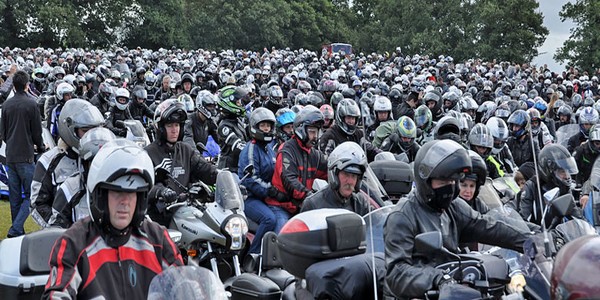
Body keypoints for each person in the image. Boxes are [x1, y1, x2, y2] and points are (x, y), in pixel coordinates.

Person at [384, 139, 532, 299]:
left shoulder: (452, 208)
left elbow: (488, 226)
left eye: (453, 181)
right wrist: (438, 278)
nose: (450, 187)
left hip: (452, 290)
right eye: (443, 182)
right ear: (425, 181)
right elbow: (396, 273)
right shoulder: (402, 216)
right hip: (416, 295)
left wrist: (530, 242)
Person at [42, 139, 183, 299]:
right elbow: (57, 293)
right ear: (100, 195)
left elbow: (183, 285)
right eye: (117, 192)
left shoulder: (157, 239)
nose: (125, 202)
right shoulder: (75, 242)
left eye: (132, 194)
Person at [30, 99, 105, 228]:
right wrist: (59, 229)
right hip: (65, 237)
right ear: (69, 129)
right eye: (85, 130)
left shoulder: (104, 158)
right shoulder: (49, 161)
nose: (91, 136)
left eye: (95, 130)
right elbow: (37, 204)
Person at [145, 99, 218, 226]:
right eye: (170, 126)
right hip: (158, 218)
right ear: (160, 128)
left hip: (184, 212)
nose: (174, 130)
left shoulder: (186, 150)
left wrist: (225, 177)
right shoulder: (148, 153)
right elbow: (146, 185)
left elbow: (204, 169)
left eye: (177, 125)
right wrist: (160, 191)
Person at [0, 70, 45, 237]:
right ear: (27, 85)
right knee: (32, 196)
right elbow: (37, 133)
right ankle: (16, 229)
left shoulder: (6, 105)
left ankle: (17, 231)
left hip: (10, 156)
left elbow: (3, 133)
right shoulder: (32, 104)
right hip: (26, 156)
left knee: (15, 197)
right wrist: (40, 147)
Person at [267, 106, 327, 224]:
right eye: (312, 132)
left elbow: (329, 171)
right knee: (283, 235)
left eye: (317, 132)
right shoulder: (287, 150)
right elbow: (289, 180)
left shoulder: (314, 154)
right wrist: (309, 195)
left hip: (301, 207)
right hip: (281, 206)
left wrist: (345, 176)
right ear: (301, 130)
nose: (315, 137)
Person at [49, 127, 116, 228]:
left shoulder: (125, 191)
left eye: (105, 162)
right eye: (94, 162)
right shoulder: (70, 188)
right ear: (85, 163)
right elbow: (56, 228)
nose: (100, 168)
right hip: (78, 242)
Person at [238, 108, 283, 253]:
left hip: (265, 196)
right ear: (255, 127)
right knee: (269, 219)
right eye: (262, 125)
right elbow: (251, 179)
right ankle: (254, 255)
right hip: (250, 198)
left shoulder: (269, 148)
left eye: (268, 126)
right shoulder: (251, 149)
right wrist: (270, 190)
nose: (266, 129)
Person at [301, 141, 372, 216]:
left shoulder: (360, 203)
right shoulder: (313, 205)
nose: (350, 181)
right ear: (334, 175)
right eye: (346, 174)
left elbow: (375, 222)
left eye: (354, 176)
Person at [518, 144, 580, 225]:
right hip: (538, 235)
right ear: (548, 170)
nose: (567, 176)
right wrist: (538, 231)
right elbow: (523, 221)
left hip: (559, 235)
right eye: (562, 171)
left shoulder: (564, 188)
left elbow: (576, 216)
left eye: (568, 171)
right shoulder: (532, 187)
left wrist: (586, 228)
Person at [216, 86, 248, 173]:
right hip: (228, 171)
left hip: (238, 167)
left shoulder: (238, 122)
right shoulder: (224, 126)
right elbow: (238, 146)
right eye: (238, 102)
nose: (241, 105)